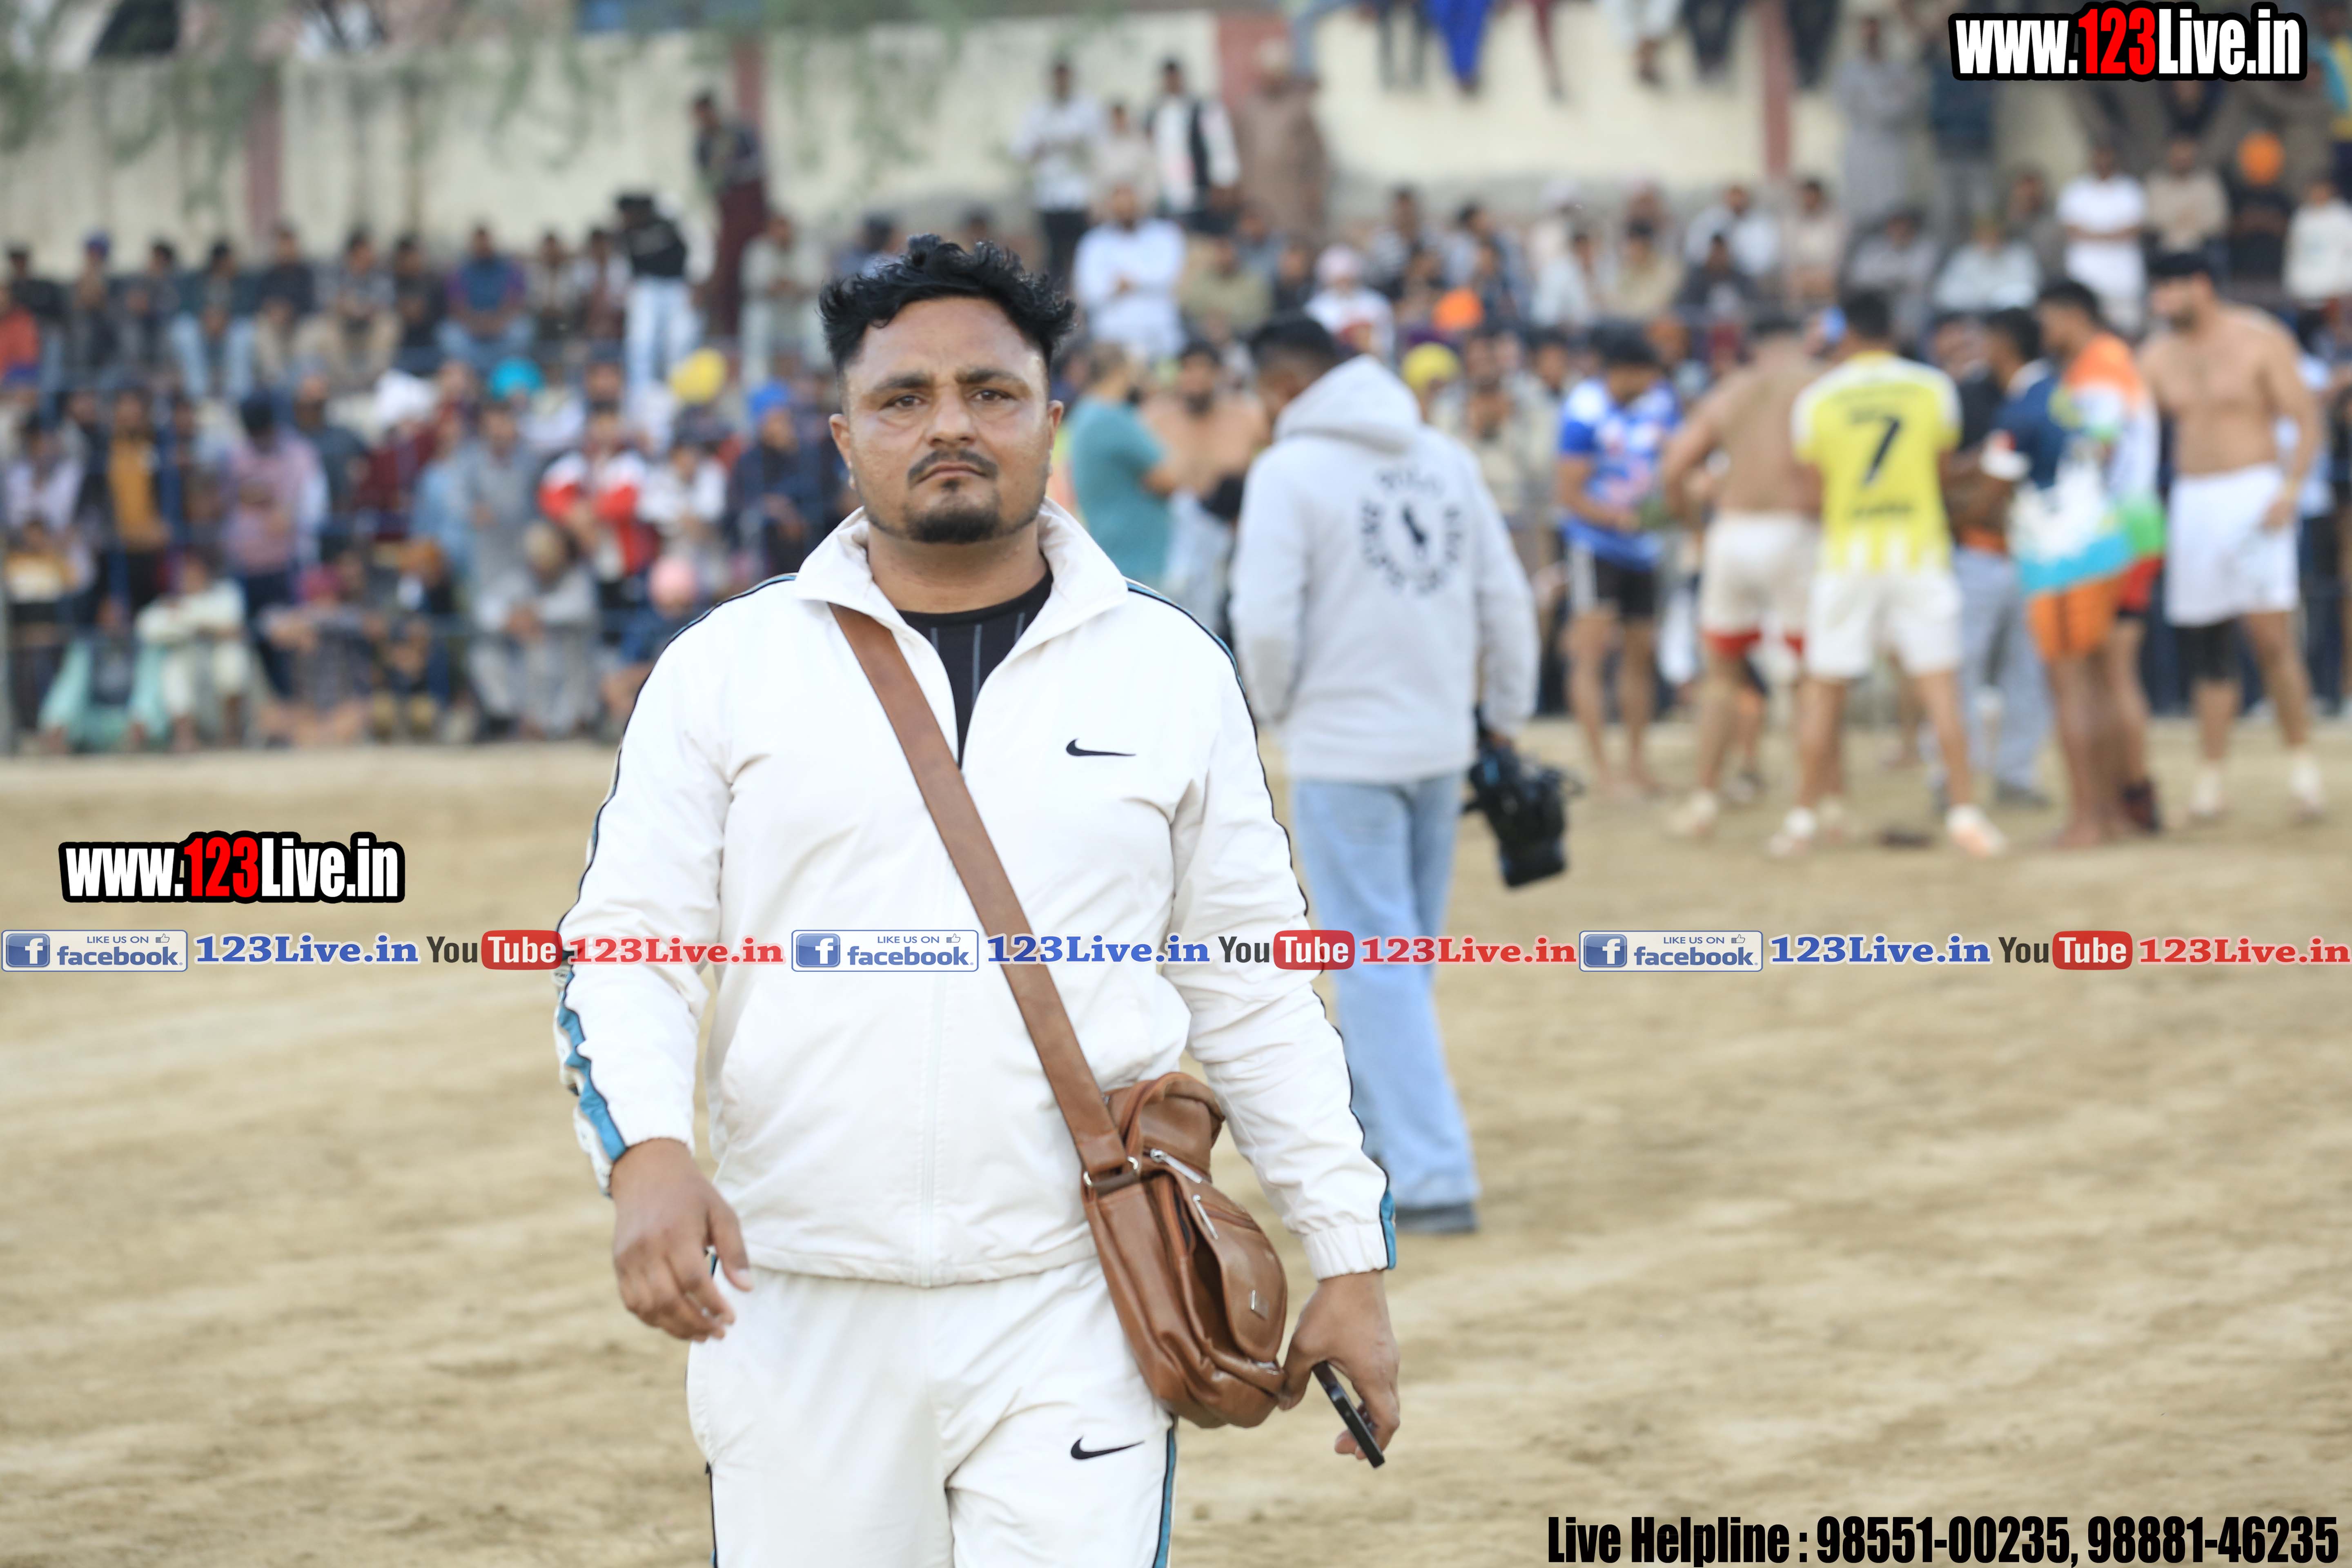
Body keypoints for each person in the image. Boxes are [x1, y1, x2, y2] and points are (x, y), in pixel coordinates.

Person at [555, 236, 1399, 1565]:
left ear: (1050, 419)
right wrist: (647, 1152)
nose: (950, 424)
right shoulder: (727, 669)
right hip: (795, 1297)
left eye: (990, 392)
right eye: (905, 398)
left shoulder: (1169, 672)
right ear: (846, 435)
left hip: (1079, 1298)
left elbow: (1254, 987)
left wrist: (1347, 1256)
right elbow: (630, 945)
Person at [1228, 311, 1536, 1235]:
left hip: (1344, 747)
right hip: (1438, 743)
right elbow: (1504, 595)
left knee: (1376, 962)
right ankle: (1370, 1140)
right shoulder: (1442, 457)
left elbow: (1265, 620)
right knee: (1399, 962)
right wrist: (1505, 713)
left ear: (1280, 387)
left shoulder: (1289, 472)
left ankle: (1433, 1171)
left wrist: (1276, 711)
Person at [1773, 290, 2007, 858]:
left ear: (1846, 335)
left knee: (1824, 691)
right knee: (1940, 687)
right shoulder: (1932, 389)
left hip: (1847, 556)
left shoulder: (1818, 399)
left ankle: (1801, 820)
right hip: (1919, 552)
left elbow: (1812, 494)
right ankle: (1965, 813)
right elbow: (1941, 472)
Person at [2136, 251, 2326, 822]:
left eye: (2170, 288)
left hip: (2253, 490)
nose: (2161, 301)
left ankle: (2304, 772)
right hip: (2193, 496)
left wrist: (2291, 487)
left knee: (2271, 638)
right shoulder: (2157, 355)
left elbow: (2305, 417)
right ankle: (2211, 780)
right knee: (2206, 641)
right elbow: (2130, 427)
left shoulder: (2258, 339)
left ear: (2200, 285)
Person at [1969, 306, 2132, 846]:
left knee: (2070, 691)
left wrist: (1948, 506)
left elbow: (1989, 496)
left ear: (2002, 345)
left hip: (2060, 558)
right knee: (2098, 685)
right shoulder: (2060, 393)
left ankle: (2086, 819)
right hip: (2101, 541)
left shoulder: (2018, 411)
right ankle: (2109, 812)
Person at [1656, 312, 1822, 837]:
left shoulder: (1732, 391)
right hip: (1796, 530)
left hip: (1733, 532)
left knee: (1721, 676)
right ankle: (1813, 803)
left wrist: (1693, 527)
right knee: (1809, 676)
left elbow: (1675, 466)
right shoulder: (1817, 386)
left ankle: (1704, 797)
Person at [2035, 279, 2164, 831]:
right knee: (2112, 671)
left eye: (2046, 320)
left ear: (2071, 315)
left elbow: (2096, 447)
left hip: (2109, 530)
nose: (2043, 332)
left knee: (2103, 673)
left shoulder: (2099, 365)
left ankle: (2120, 799)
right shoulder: (2108, 361)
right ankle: (2129, 797)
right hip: (2132, 526)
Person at [1555, 325, 1679, 798]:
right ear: (1625, 372)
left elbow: (1672, 459)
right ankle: (1603, 770)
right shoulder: (1583, 412)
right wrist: (1615, 518)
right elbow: (1568, 492)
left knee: (1640, 653)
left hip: (1643, 548)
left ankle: (1637, 765)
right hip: (1596, 547)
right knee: (1590, 653)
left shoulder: (1659, 404)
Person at [1143, 338, 1267, 623]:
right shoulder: (1154, 418)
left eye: (1204, 370)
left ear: (1219, 374)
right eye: (1188, 370)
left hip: (1235, 541)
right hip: (1172, 544)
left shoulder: (1248, 415)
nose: (1195, 379)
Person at [1063, 339, 1180, 587]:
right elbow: (1169, 479)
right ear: (1123, 369)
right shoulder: (1113, 418)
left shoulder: (1086, 412)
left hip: (1111, 548)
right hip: (1136, 558)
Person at [134, 546, 248, 750]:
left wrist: (187, 620)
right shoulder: (170, 602)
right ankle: (185, 737)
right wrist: (203, 626)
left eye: (194, 572)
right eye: (184, 575)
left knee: (231, 655)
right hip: (190, 667)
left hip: (219, 676)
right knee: (173, 665)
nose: (189, 578)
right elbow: (146, 628)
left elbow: (232, 625)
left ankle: (231, 733)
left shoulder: (225, 592)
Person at [731, 381, 845, 581]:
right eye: (774, 419)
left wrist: (802, 516)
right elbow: (738, 505)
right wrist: (773, 510)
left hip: (814, 545)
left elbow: (830, 496)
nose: (781, 425)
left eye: (784, 417)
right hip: (768, 552)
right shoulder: (750, 460)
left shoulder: (811, 454)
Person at [1011, 58, 1105, 288]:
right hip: (1049, 195)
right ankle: (1056, 297)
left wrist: (1077, 144)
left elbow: (1101, 147)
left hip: (1079, 194)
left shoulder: (1087, 109)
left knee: (1082, 251)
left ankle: (1082, 293)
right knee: (1053, 254)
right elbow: (1021, 150)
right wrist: (1045, 146)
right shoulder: (1038, 111)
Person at [1071, 182, 1187, 364]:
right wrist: (1117, 286)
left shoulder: (1166, 235)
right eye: (1119, 201)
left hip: (1161, 335)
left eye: (1130, 200)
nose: (1125, 207)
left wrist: (1132, 281)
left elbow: (1170, 276)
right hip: (1113, 339)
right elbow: (1089, 291)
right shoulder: (1093, 243)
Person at [1234, 39, 1330, 246]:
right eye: (1268, 75)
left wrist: (1315, 187)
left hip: (1293, 192)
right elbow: (1239, 150)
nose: (1272, 81)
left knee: (1294, 245)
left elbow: (1317, 154)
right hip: (1258, 190)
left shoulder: (1299, 108)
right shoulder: (1248, 107)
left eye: (1277, 75)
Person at [691, 89, 769, 341]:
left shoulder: (740, 132)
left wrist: (731, 171)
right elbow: (706, 180)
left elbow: (758, 165)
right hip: (727, 213)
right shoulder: (702, 144)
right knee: (728, 273)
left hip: (751, 212)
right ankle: (730, 329)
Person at [1835, 13, 1924, 230]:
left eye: (1875, 36)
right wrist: (1883, 101)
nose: (1871, 41)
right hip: (1862, 143)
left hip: (1891, 144)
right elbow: (1849, 106)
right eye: (1867, 36)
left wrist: (1876, 104)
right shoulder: (1849, 71)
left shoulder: (1899, 69)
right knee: (1861, 205)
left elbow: (1906, 105)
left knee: (1893, 205)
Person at [2058, 142, 2149, 332]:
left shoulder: (2130, 189)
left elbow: (2134, 229)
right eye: (2099, 156)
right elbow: (2071, 229)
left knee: (2127, 329)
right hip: (2086, 272)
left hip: (2122, 275)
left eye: (2107, 156)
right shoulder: (2076, 190)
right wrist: (2111, 235)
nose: (2103, 162)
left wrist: (2093, 234)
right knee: (2087, 327)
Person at [617, 193, 698, 393]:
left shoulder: (669, 226)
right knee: (641, 342)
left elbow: (692, 254)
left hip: (675, 286)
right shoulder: (625, 233)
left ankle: (679, 393)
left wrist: (694, 285)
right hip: (645, 288)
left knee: (679, 341)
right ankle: (641, 394)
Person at [1146, 56, 1239, 229]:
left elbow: (1220, 147)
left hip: (1201, 193)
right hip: (1170, 197)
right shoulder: (1157, 113)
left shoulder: (1202, 108)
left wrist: (1223, 181)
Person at [2144, 132, 2230, 265]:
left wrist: (2187, 226)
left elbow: (2219, 221)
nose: (2182, 162)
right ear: (2169, 156)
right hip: (2164, 246)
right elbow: (2149, 220)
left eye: (2186, 157)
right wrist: (2180, 222)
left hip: (2202, 246)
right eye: (2178, 157)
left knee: (2218, 254)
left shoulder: (2208, 183)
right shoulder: (2156, 184)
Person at [1934, 214, 2041, 314]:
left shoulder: (2020, 255)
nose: (1990, 238)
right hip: (1970, 316)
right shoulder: (1964, 258)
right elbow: (1946, 294)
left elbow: (2028, 291)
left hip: (2010, 316)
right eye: (1985, 233)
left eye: (1994, 233)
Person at [1304, 245, 1395, 363]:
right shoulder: (1316, 309)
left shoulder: (1375, 303)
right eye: (1339, 280)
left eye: (1347, 279)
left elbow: (1387, 342)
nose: (1344, 284)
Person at [1784, 176, 1849, 310]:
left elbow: (1837, 254)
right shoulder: (1790, 222)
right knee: (1793, 284)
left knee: (1829, 285)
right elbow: (1788, 254)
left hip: (1826, 273)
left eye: (1812, 197)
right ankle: (1797, 320)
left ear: (1820, 197)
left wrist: (1821, 274)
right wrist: (1802, 273)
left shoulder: (1836, 221)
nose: (1809, 201)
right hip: (1801, 273)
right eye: (1805, 197)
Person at [2285, 176, 2352, 304]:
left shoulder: (2344, 217)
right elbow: (2294, 250)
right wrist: (2293, 283)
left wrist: (2346, 284)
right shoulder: (2302, 216)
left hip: (2335, 287)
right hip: (2305, 286)